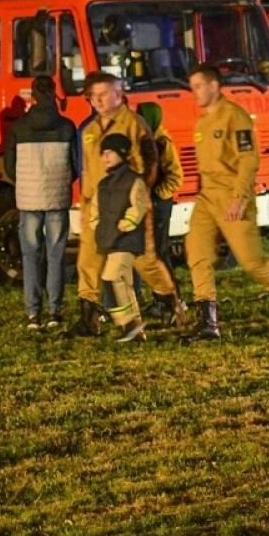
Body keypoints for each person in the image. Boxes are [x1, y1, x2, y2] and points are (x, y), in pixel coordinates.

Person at [183, 63, 269, 341]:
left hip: (232, 196)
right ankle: (208, 322)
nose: (194, 92)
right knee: (197, 253)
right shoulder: (202, 122)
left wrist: (238, 199)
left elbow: (248, 160)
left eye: (198, 86)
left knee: (251, 261)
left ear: (214, 86)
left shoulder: (235, 117)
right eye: (192, 87)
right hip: (207, 198)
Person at [72, 72, 180, 337]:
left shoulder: (134, 124)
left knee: (145, 262)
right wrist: (86, 205)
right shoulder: (90, 130)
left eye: (103, 94)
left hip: (128, 206)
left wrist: (140, 199)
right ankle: (88, 318)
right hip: (98, 207)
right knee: (88, 260)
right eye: (93, 96)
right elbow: (88, 171)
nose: (98, 100)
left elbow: (150, 163)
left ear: (118, 95)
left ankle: (169, 300)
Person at [4, 75, 78, 331]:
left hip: (28, 199)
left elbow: (9, 166)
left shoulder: (19, 126)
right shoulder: (67, 126)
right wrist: (64, 180)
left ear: (33, 96)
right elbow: (76, 165)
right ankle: (54, 311)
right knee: (56, 255)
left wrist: (25, 182)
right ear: (54, 93)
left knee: (30, 256)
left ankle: (32, 314)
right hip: (57, 197)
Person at [91, 133, 151, 343]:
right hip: (110, 240)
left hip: (126, 240)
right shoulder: (103, 184)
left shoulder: (134, 180)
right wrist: (98, 226)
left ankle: (127, 324)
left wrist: (125, 225)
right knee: (125, 284)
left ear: (122, 154)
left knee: (111, 277)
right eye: (103, 153)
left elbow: (138, 207)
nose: (105, 157)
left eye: (111, 152)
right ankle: (136, 328)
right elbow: (95, 209)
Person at [136, 101, 185, 327]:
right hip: (151, 203)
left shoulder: (163, 142)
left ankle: (173, 300)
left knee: (160, 253)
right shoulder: (148, 140)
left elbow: (176, 177)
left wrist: (157, 195)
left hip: (160, 204)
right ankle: (161, 300)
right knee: (152, 253)